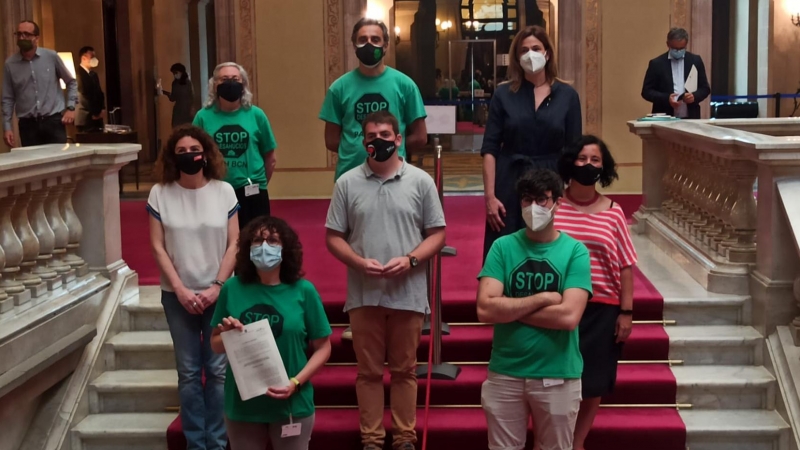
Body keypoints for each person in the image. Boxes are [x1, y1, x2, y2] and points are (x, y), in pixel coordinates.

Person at [325, 111, 446, 450]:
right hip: (364, 294)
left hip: (407, 292)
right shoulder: (346, 183)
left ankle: (405, 437)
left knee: (406, 369)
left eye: (385, 134)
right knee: (369, 372)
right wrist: (358, 262)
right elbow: (333, 237)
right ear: (363, 142)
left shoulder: (420, 181)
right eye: (372, 135)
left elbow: (437, 234)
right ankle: (372, 439)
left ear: (398, 139)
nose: (378, 139)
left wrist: (411, 260)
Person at [476, 168, 592, 450]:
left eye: (542, 200)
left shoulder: (576, 252)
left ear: (557, 203)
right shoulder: (502, 247)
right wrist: (542, 299)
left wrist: (511, 308)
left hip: (558, 374)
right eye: (527, 200)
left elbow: (568, 317)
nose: (533, 207)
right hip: (506, 372)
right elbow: (485, 310)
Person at [147, 125, 239, 450]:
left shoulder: (225, 191)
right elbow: (158, 247)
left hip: (218, 294)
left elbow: (235, 243)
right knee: (187, 372)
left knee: (217, 372)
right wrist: (181, 289)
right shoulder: (160, 192)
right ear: (173, 157)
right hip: (177, 296)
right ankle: (195, 444)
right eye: (182, 152)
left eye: (195, 150)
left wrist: (217, 286)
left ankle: (216, 441)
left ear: (206, 154)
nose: (190, 156)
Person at [211, 216, 332, 450]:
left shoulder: (304, 291)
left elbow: (323, 347)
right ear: (247, 248)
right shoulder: (231, 289)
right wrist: (226, 333)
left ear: (285, 249)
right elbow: (215, 345)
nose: (264, 246)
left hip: (292, 402)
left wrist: (295, 382)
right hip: (243, 404)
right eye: (257, 240)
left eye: (273, 240)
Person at [553, 135, 638, 450]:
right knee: (558, 381)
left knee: (593, 383)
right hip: (558, 308)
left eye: (595, 160)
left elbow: (626, 266)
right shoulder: (553, 206)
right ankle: (555, 437)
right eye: (582, 158)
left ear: (604, 168)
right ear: (570, 162)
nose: (588, 165)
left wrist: (626, 313)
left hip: (602, 308)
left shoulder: (614, 212)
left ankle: (576, 443)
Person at [482, 25, 582, 261]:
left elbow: (574, 149)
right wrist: (489, 196)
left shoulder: (568, 95)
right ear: (517, 57)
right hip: (510, 180)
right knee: (506, 247)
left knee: (550, 251)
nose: (530, 54)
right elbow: (490, 149)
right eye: (523, 50)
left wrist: (569, 195)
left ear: (547, 53)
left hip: (552, 181)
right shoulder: (503, 94)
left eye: (536, 48)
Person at [320, 17, 428, 181]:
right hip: (351, 176)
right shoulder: (338, 88)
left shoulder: (405, 85)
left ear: (385, 46)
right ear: (354, 46)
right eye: (363, 40)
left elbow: (420, 137)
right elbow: (331, 140)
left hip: (394, 175)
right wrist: (358, 149)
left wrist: (389, 149)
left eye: (375, 39)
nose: (369, 44)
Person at [194, 62, 277, 230]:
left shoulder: (256, 115)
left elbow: (270, 157)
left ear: (243, 84)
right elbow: (195, 153)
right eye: (224, 79)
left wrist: (258, 183)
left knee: (256, 242)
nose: (230, 83)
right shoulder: (203, 117)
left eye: (235, 79)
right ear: (214, 85)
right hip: (215, 190)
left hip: (252, 191)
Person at [2, 20, 78, 148]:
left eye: (26, 34)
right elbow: (7, 98)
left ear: (36, 38)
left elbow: (71, 82)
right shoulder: (10, 64)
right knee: (34, 165)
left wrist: (70, 108)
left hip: (53, 122)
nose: (22, 38)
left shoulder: (51, 56)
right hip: (28, 126)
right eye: (19, 34)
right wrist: (7, 127)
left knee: (58, 163)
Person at [641, 27, 710, 119]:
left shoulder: (695, 61)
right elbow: (646, 92)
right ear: (668, 44)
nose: (678, 51)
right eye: (674, 48)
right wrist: (666, 98)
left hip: (690, 117)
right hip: (665, 117)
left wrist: (694, 96)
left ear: (686, 44)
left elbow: (705, 88)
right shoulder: (656, 64)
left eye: (681, 48)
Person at [75, 46, 106, 133]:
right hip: (85, 117)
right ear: (83, 58)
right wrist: (95, 112)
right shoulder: (78, 74)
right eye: (92, 57)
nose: (94, 60)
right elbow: (84, 96)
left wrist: (102, 108)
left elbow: (100, 93)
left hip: (96, 117)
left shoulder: (93, 74)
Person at [164, 63, 195, 128]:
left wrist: (191, 109)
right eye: (173, 73)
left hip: (187, 111)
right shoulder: (174, 83)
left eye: (176, 72)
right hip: (178, 111)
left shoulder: (188, 83)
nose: (175, 75)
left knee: (187, 129)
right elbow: (173, 98)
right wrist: (165, 92)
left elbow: (191, 96)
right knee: (177, 129)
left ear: (181, 72)